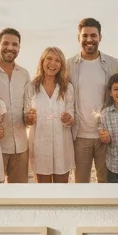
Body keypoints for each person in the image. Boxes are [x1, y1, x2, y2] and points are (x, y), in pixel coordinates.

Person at [67, 17, 118, 183]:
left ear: (100, 37)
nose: (89, 40)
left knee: (106, 183)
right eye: (85, 36)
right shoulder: (69, 65)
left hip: (107, 136)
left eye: (93, 35)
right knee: (81, 184)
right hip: (79, 136)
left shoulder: (113, 64)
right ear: (79, 38)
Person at [23, 46, 75, 183]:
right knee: (43, 191)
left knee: (61, 190)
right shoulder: (31, 86)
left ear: (62, 65)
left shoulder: (67, 87)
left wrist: (68, 118)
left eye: (57, 60)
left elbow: (71, 115)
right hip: (40, 144)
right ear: (42, 61)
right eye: (49, 59)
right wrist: (29, 118)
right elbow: (26, 117)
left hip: (62, 145)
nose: (53, 63)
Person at [0, 27, 31, 184]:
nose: (10, 48)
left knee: (19, 195)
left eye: (15, 45)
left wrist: (29, 117)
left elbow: (27, 105)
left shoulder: (24, 74)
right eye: (6, 43)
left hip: (21, 146)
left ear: (19, 48)